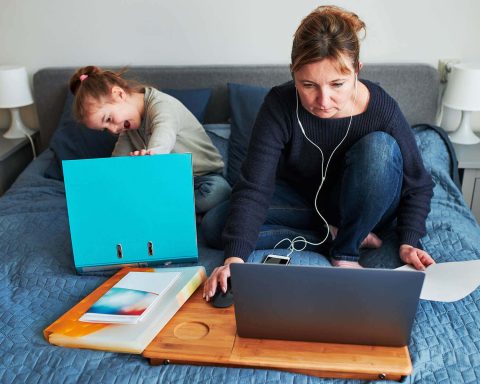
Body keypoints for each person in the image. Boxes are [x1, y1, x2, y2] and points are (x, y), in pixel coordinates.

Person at [203, 5, 435, 301]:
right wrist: (234, 261)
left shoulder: (382, 108)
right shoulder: (279, 105)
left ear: (357, 71)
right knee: (215, 227)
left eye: (337, 84)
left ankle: (346, 248)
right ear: (293, 74)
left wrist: (408, 240)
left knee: (380, 149)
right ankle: (330, 234)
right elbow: (254, 186)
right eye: (308, 85)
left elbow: (418, 183)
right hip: (307, 204)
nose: (323, 101)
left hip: (366, 203)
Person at [69, 66, 231, 215]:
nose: (112, 129)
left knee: (216, 192)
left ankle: (169, 212)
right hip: (171, 186)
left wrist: (153, 155)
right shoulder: (128, 129)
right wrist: (99, 185)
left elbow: (165, 131)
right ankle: (180, 214)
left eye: (109, 119)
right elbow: (116, 165)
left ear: (119, 94)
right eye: (105, 129)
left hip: (203, 178)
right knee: (129, 193)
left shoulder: (161, 105)